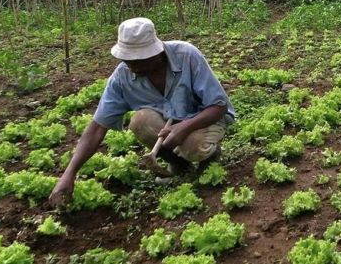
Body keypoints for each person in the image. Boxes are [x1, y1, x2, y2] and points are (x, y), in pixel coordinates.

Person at [48, 17, 235, 207]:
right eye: (126, 60)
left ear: (157, 54)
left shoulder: (187, 55)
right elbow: (97, 128)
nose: (132, 67)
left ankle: (210, 156)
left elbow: (219, 106)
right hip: (167, 124)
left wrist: (185, 127)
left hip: (205, 118)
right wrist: (69, 174)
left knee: (193, 144)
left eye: (137, 60)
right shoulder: (123, 76)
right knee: (139, 121)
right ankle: (179, 165)